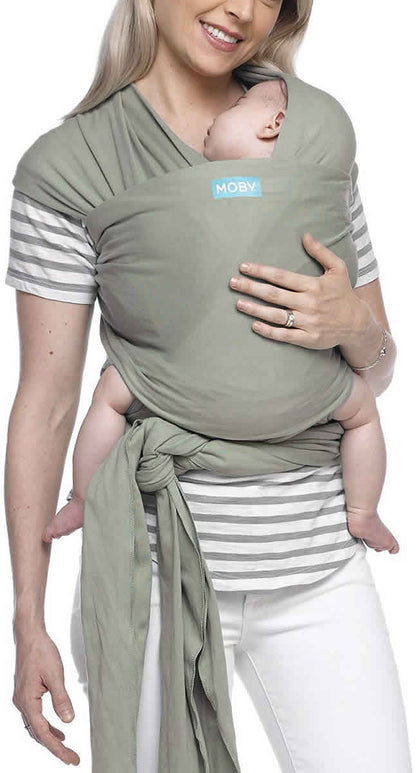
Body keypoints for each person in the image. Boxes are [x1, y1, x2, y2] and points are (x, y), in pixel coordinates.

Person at [4, 1, 412, 771]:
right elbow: (47, 403)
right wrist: (28, 619)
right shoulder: (72, 166)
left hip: (319, 566)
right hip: (151, 578)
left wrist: (354, 326)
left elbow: (379, 367)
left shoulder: (309, 133)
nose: (243, 9)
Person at [43, 78, 398, 556]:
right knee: (361, 412)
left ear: (273, 124)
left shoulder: (320, 190)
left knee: (111, 393)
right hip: (304, 395)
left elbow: (380, 361)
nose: (216, 116)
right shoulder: (312, 193)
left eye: (240, 103)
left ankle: (85, 496)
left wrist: (357, 326)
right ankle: (363, 510)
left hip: (175, 389)